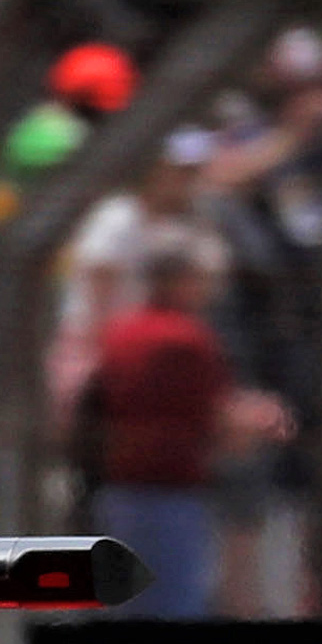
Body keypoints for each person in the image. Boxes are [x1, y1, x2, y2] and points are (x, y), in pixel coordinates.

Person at [79, 232, 236, 620]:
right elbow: (215, 419)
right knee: (172, 618)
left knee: (121, 612)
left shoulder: (119, 333)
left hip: (118, 490)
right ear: (179, 280)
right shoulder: (188, 339)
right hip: (172, 494)